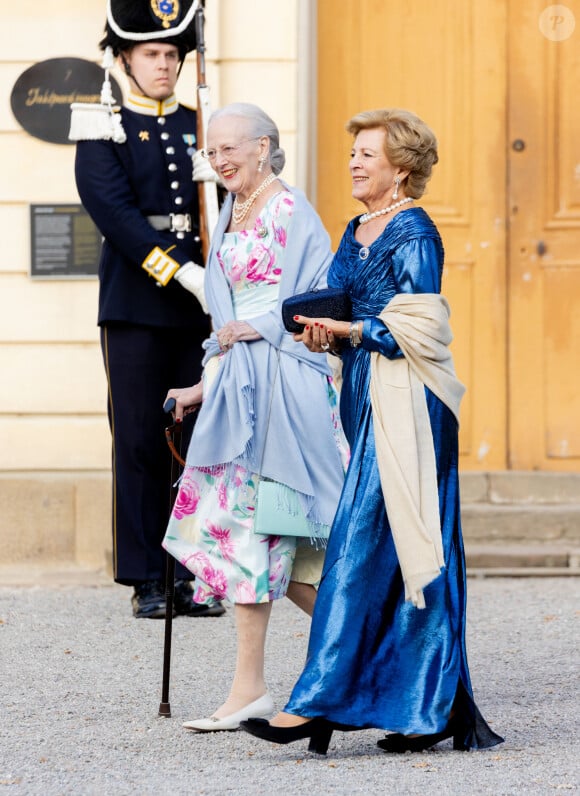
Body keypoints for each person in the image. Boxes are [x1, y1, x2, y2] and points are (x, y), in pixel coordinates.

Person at [240, 108, 504, 755]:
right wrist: (315, 326)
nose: (354, 162)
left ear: (401, 168)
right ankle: (426, 709)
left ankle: (316, 703)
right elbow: (334, 298)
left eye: (366, 153)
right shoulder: (356, 227)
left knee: (365, 544)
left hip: (409, 402)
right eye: (353, 152)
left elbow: (424, 327)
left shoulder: (414, 231)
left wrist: (354, 331)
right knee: (392, 552)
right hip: (363, 391)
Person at [161, 102, 348, 731]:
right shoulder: (230, 209)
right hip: (242, 385)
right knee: (255, 540)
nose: (217, 162)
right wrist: (202, 385)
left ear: (264, 146)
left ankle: (369, 661)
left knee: (283, 541)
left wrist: (261, 327)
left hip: (285, 387)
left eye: (228, 149)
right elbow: (226, 321)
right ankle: (258, 687)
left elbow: (318, 301)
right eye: (210, 153)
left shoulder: (291, 209)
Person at [72, 0, 224, 620]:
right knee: (137, 436)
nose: (164, 66)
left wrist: (221, 175)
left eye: (172, 55)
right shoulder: (101, 123)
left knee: (193, 436)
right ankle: (145, 577)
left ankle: (186, 571)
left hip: (200, 308)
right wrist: (180, 271)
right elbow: (114, 215)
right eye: (152, 55)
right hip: (136, 304)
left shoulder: (201, 122)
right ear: (125, 59)